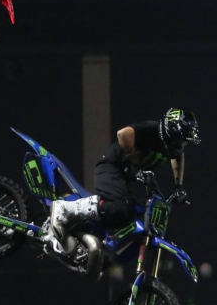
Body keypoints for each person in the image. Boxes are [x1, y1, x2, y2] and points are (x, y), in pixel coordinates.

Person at [48, 108, 201, 257]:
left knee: (135, 212)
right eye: (181, 139)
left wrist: (178, 186)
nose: (181, 145)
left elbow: (179, 156)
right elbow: (122, 134)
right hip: (112, 166)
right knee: (118, 207)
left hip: (127, 176)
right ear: (171, 131)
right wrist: (134, 161)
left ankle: (95, 241)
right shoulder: (152, 129)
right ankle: (64, 208)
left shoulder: (173, 147)